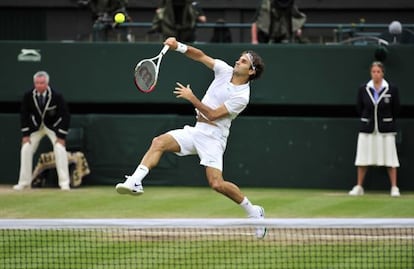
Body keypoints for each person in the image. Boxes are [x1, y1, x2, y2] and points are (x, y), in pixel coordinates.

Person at [116, 37, 266, 238]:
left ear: (251, 71)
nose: (238, 62)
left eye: (244, 61)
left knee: (217, 184)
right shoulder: (223, 69)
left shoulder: (242, 97)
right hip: (197, 131)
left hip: (214, 138)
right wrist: (178, 46)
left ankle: (254, 212)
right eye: (239, 59)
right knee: (158, 142)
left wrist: (191, 97)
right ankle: (135, 181)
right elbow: (201, 56)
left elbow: (212, 115)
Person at [349, 61, 401, 197]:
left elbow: (396, 109)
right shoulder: (363, 88)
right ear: (370, 73)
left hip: (386, 128)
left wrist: (385, 121)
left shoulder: (391, 89)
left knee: (390, 159)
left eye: (378, 72)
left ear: (383, 73)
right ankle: (359, 186)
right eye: (373, 72)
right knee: (362, 159)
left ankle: (394, 187)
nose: (376, 74)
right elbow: (359, 108)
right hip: (367, 128)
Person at [13, 71, 71, 191]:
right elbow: (24, 115)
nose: (39, 85)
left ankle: (64, 183)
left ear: (47, 83)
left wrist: (61, 136)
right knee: (26, 148)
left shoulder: (57, 96)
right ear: (34, 83)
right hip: (36, 128)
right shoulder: (28, 96)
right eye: (37, 83)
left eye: (42, 83)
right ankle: (24, 182)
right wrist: (26, 134)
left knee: (60, 149)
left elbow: (65, 116)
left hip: (52, 128)